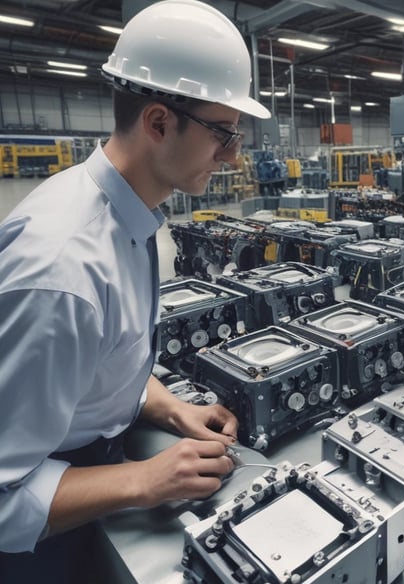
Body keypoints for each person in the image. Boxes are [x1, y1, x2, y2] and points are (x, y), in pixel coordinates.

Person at [0, 1, 271, 580]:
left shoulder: (129, 217)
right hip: (38, 535)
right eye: (222, 133)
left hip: (92, 459)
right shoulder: (63, 269)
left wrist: (170, 408)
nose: (232, 155)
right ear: (157, 122)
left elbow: (103, 357)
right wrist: (142, 480)